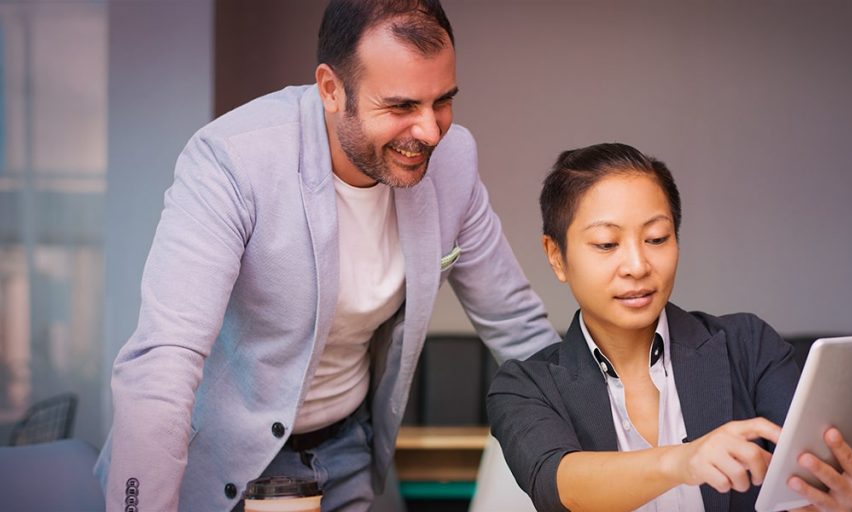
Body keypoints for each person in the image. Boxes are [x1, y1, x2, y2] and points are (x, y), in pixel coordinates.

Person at [94, 1, 558, 510]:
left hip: (346, 451)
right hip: (218, 463)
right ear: (331, 89)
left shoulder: (453, 162)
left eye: (442, 101)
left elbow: (516, 324)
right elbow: (165, 361)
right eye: (401, 106)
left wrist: (602, 451)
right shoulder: (234, 160)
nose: (429, 132)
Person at [487, 143, 852, 512]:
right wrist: (684, 460)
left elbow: (802, 491)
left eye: (656, 238)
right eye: (607, 244)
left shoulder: (747, 346)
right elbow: (558, 484)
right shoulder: (525, 385)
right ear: (556, 256)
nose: (638, 266)